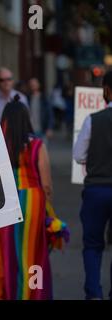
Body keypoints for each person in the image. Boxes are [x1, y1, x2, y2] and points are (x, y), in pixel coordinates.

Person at [0, 96, 55, 300]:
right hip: (32, 200)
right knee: (31, 253)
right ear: (26, 118)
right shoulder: (36, 145)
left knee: (3, 253)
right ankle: (31, 295)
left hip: (3, 201)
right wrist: (49, 209)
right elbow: (46, 184)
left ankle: (2, 294)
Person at [73, 70, 112, 300]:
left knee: (93, 245)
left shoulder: (93, 120)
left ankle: (94, 294)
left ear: (106, 90)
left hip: (96, 189)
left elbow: (79, 155)